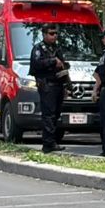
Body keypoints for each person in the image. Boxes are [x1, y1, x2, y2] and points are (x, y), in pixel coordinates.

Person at [28, 24, 67, 153]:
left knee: (56, 114)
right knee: (48, 115)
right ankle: (48, 144)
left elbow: (63, 66)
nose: (54, 36)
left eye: (56, 33)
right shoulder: (39, 48)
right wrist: (52, 61)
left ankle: (53, 141)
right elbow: (37, 63)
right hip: (47, 85)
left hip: (58, 85)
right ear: (44, 34)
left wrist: (67, 85)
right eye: (51, 33)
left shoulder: (57, 48)